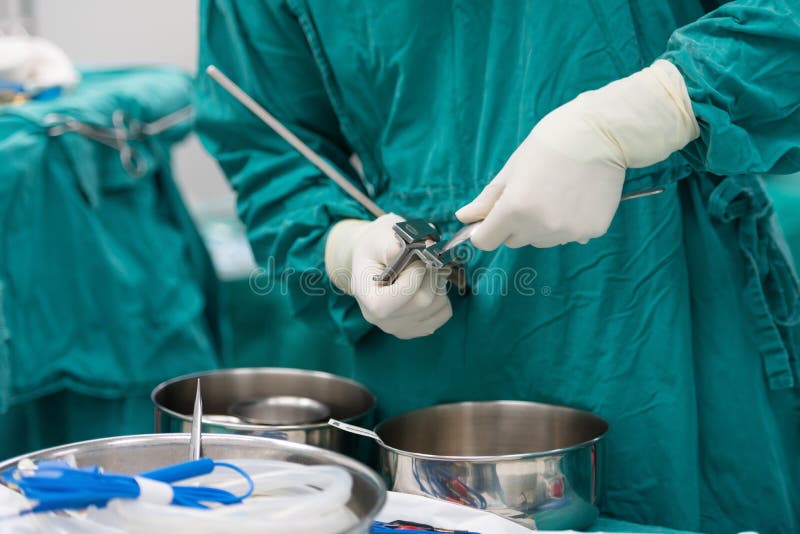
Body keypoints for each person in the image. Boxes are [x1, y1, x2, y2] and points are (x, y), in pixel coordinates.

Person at [196, 1, 800, 532]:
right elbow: (263, 140)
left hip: (660, 313)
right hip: (428, 357)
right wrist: (342, 247)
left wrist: (657, 107)